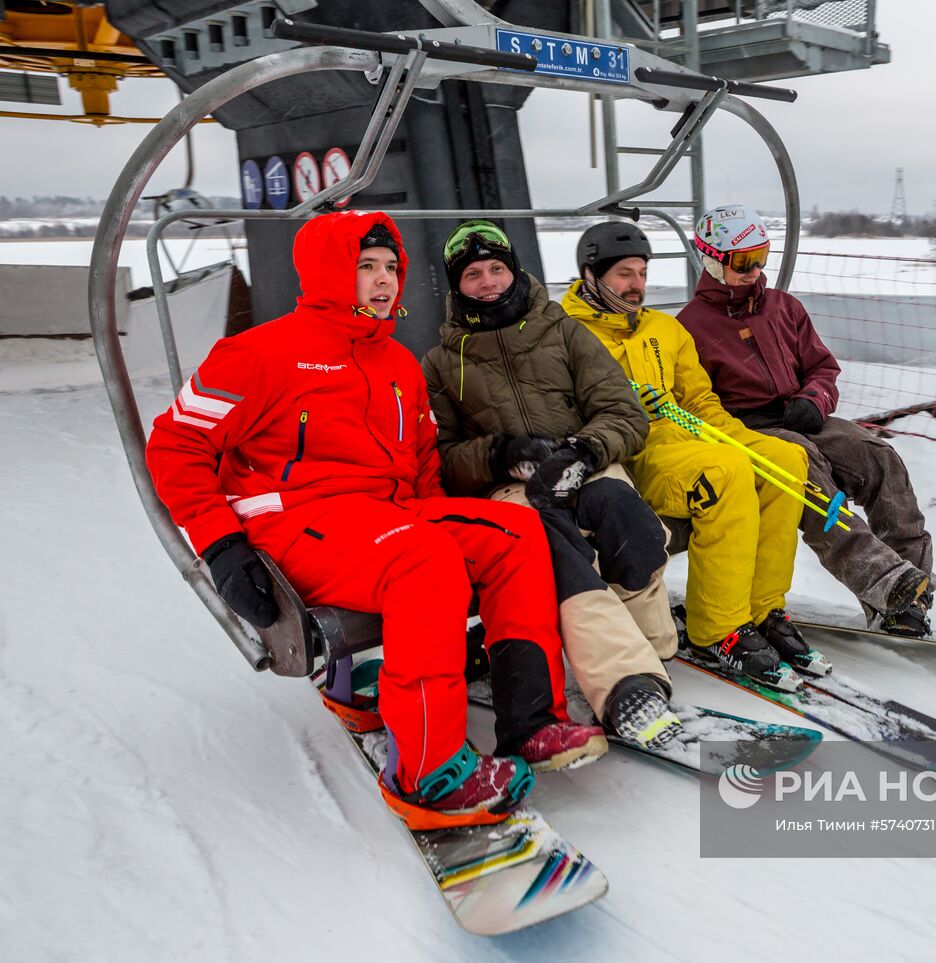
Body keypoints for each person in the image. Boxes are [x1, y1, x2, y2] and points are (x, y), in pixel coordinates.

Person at [144, 211, 605, 832]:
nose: (384, 280)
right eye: (366, 266)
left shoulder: (396, 364)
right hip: (294, 523)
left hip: (384, 516)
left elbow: (419, 466)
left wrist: (446, 519)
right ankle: (428, 771)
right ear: (331, 272)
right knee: (425, 559)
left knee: (513, 530)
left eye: (391, 267)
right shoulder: (258, 353)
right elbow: (175, 446)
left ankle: (531, 721)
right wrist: (221, 545)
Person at [421, 219, 684, 750]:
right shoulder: (443, 363)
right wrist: (501, 454)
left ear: (515, 270)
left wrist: (583, 449)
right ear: (457, 286)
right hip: (511, 485)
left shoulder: (564, 331)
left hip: (583, 461)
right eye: (473, 274)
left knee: (623, 513)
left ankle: (648, 646)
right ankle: (624, 682)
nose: (489, 281)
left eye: (497, 268)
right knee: (553, 543)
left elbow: (622, 412)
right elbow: (442, 460)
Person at [561, 219, 827, 689]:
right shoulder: (566, 335)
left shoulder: (663, 329)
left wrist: (734, 436)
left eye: (642, 272)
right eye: (625, 274)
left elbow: (701, 401)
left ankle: (762, 608)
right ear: (592, 274)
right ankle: (717, 629)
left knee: (785, 459)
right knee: (725, 473)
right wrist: (620, 408)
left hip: (688, 438)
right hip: (632, 456)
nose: (637, 284)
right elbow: (561, 411)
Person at [677, 204, 936, 636]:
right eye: (743, 262)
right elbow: (695, 403)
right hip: (751, 429)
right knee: (809, 475)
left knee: (879, 458)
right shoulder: (691, 328)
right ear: (711, 259)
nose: (755, 270)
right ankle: (886, 585)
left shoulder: (783, 307)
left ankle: (912, 588)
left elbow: (822, 367)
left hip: (803, 413)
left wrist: (815, 399)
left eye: (761, 257)